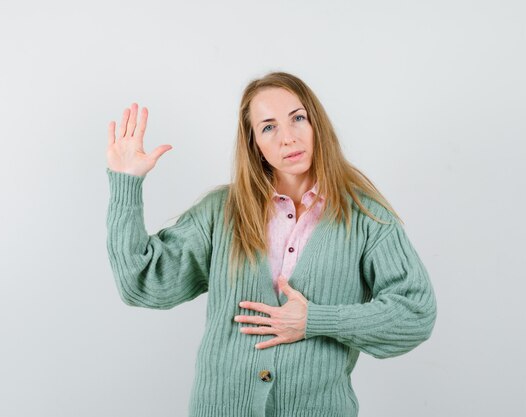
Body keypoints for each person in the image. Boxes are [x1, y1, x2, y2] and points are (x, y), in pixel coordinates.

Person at [105, 71, 437, 417]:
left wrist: (316, 320)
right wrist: (126, 183)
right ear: (255, 145)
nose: (288, 138)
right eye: (268, 127)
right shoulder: (222, 212)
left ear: (316, 124)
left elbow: (415, 313)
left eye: (297, 119)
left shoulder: (365, 216)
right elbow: (140, 282)